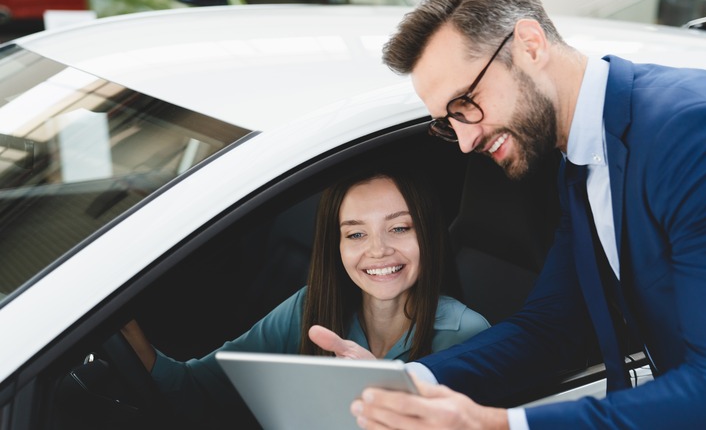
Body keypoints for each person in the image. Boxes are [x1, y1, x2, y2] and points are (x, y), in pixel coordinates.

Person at [309, 0, 706, 428]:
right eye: (448, 122)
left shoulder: (700, 135)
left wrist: (499, 424)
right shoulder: (580, 158)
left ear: (530, 45)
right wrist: (407, 385)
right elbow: (555, 326)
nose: (467, 140)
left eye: (466, 103)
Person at [121, 166, 490, 427]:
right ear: (337, 245)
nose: (378, 250)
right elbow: (199, 389)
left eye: (398, 228)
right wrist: (123, 331)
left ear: (428, 234)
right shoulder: (309, 308)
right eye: (356, 234)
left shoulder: (467, 334)